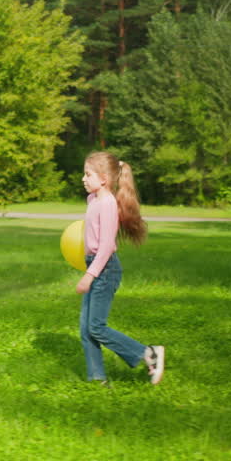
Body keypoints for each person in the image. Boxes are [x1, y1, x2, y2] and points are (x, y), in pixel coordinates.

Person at [75, 151, 165, 385]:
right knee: (86, 329)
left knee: (96, 327)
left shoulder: (107, 204)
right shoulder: (93, 199)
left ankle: (147, 353)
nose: (83, 179)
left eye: (88, 174)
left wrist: (88, 275)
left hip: (104, 270)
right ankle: (97, 379)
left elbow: (105, 247)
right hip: (94, 265)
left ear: (104, 178)